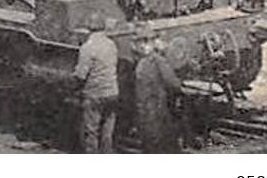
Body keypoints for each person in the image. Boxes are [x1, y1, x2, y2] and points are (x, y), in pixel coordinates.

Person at [73, 18, 121, 152]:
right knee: (107, 130)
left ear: (89, 29)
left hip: (94, 94)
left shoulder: (87, 47)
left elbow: (81, 74)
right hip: (112, 92)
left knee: (91, 131)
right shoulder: (111, 44)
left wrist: (74, 85)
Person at [132, 28, 184, 152]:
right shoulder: (157, 61)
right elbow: (173, 83)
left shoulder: (140, 64)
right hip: (157, 108)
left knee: (150, 143)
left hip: (144, 109)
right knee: (164, 142)